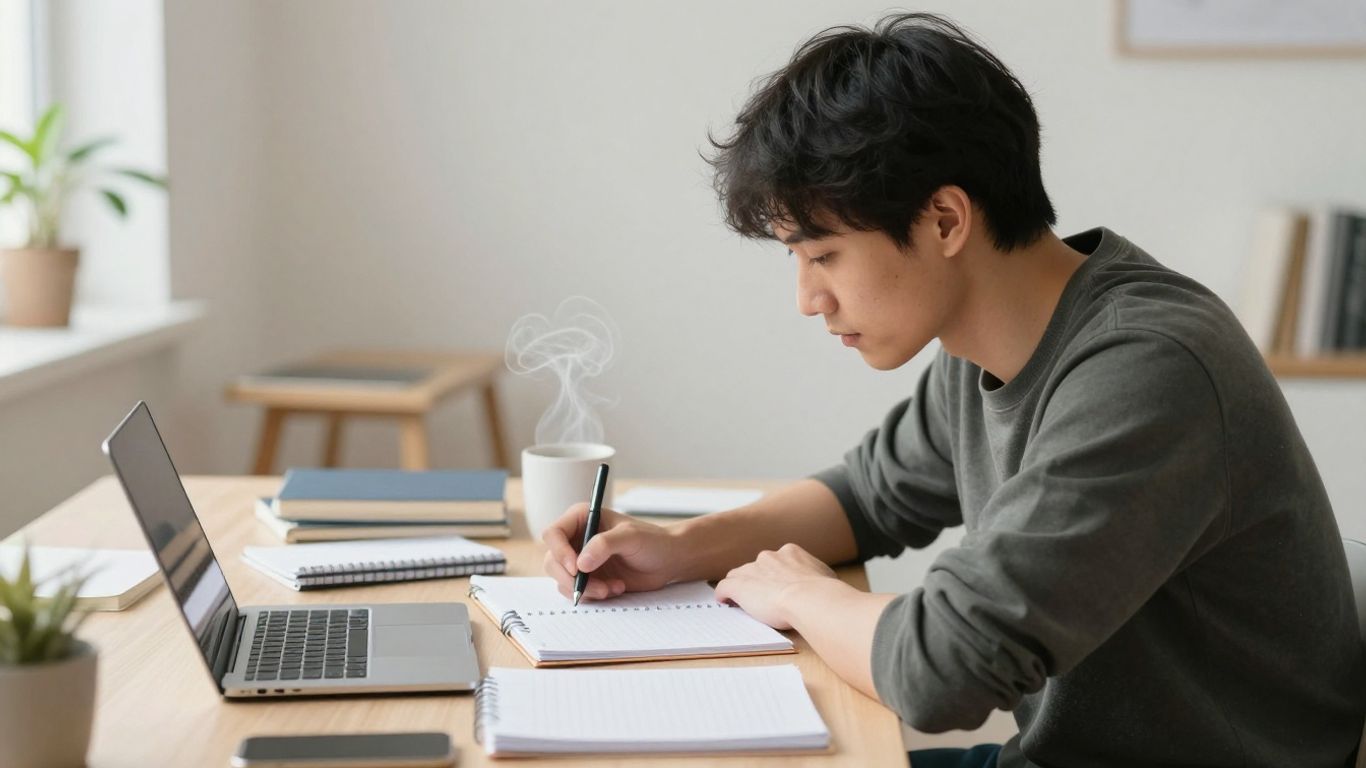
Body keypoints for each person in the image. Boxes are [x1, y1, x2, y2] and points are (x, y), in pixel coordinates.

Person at [542, 12, 1365, 768]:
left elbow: (944, 670)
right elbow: (868, 495)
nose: (807, 298)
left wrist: (801, 594)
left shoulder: (1149, 372)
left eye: (823, 255)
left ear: (944, 221)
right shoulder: (988, 342)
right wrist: (680, 548)